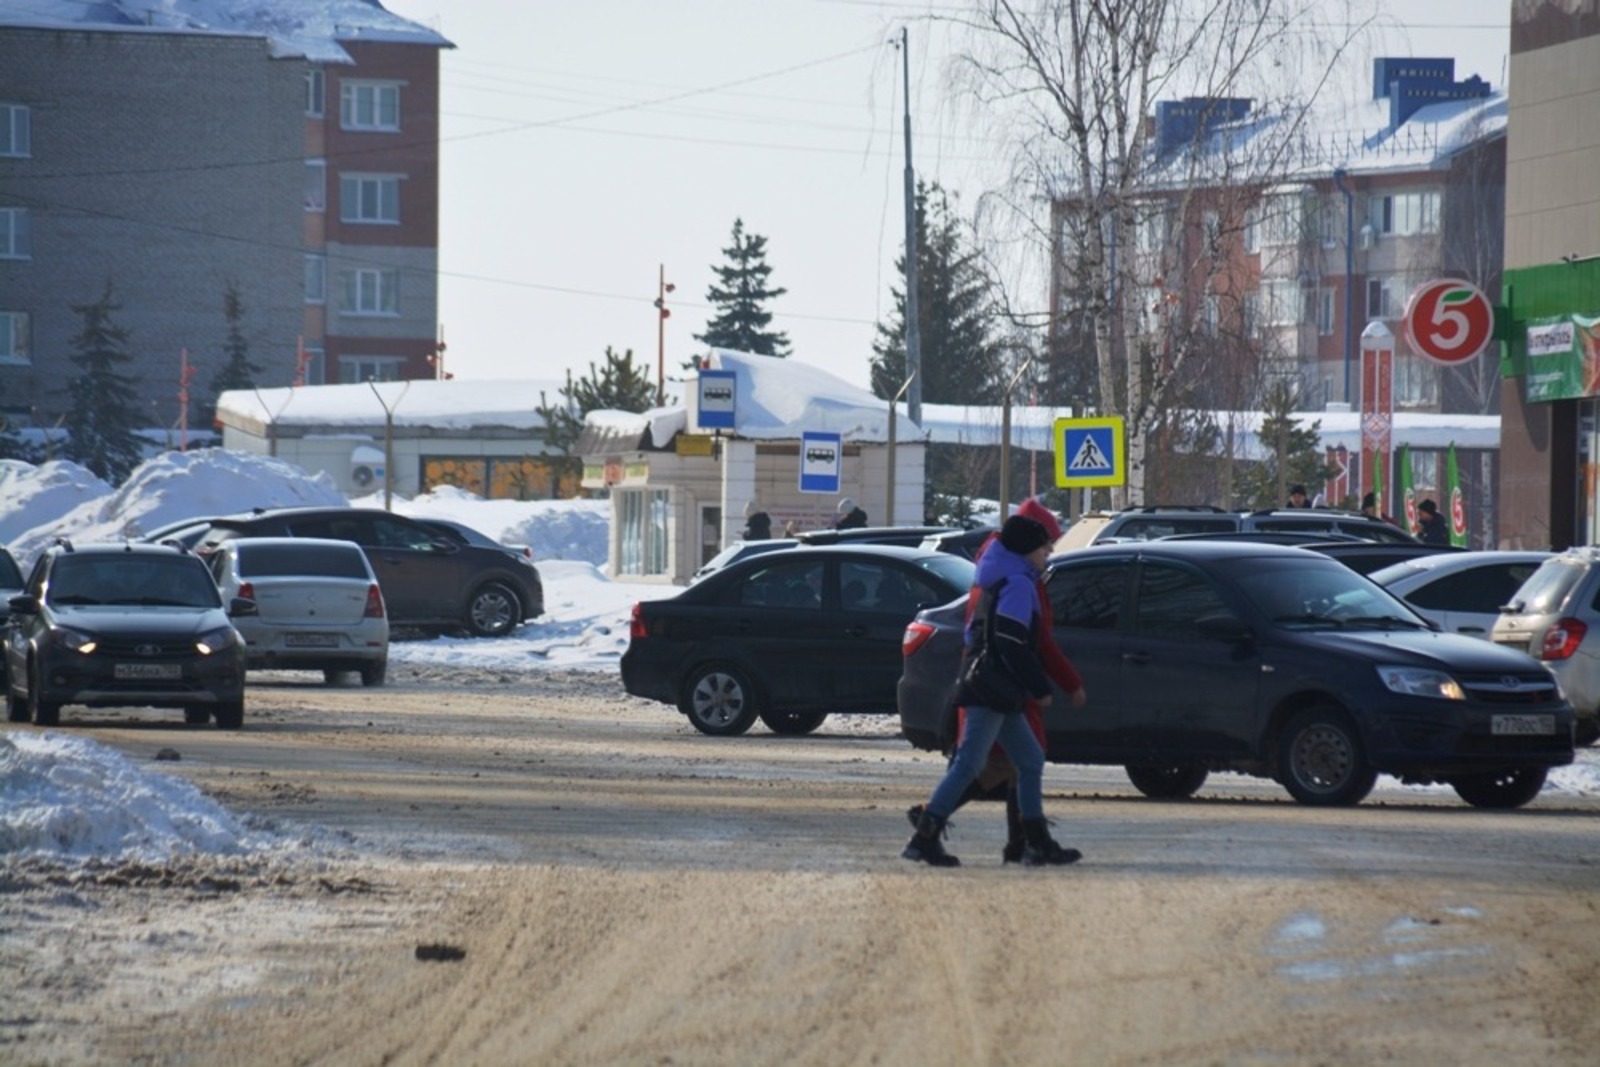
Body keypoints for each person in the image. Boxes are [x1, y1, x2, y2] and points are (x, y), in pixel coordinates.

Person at [905, 497, 1084, 863]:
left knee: (1029, 759)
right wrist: (1040, 687)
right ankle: (924, 837)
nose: (1050, 552)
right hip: (992, 689)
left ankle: (1034, 841)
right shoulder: (1018, 583)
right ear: (1027, 550)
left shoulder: (1001, 576)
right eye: (1044, 547)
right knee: (970, 765)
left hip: (998, 688)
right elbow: (1011, 640)